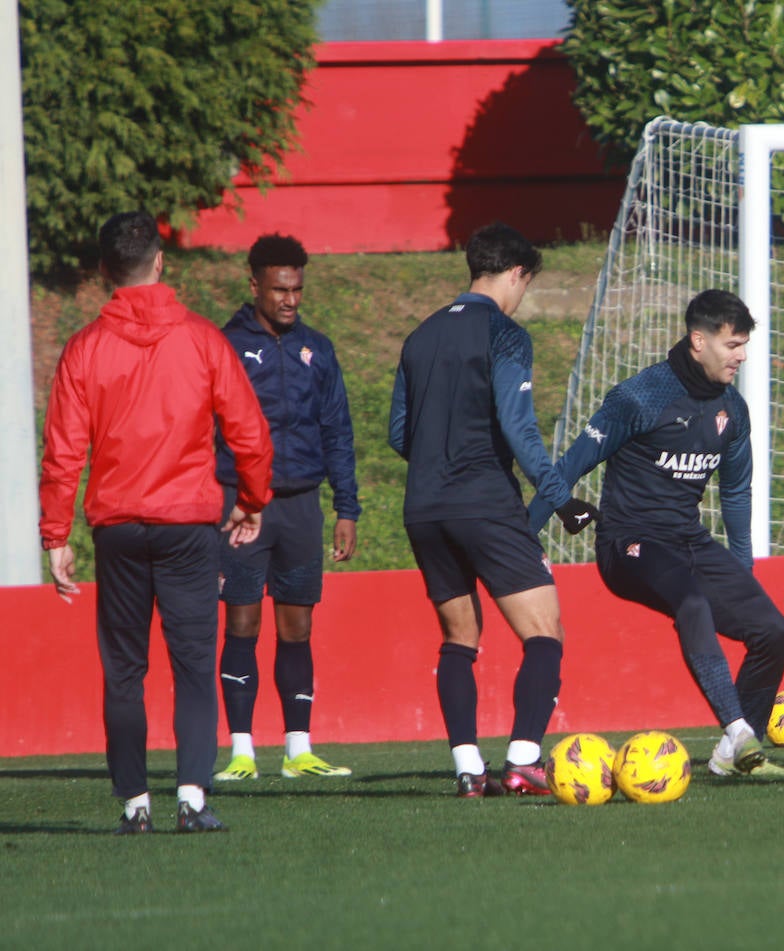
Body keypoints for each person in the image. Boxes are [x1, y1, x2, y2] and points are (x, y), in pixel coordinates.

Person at [39, 211, 274, 832]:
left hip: (118, 526)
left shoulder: (85, 348)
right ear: (161, 261)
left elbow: (64, 451)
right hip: (188, 525)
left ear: (103, 273)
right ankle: (192, 798)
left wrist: (56, 534)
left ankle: (134, 803)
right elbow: (249, 432)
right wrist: (253, 499)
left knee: (124, 667)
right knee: (195, 661)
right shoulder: (201, 339)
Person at [529, 289, 784, 779]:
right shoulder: (640, 397)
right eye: (732, 344)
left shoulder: (732, 410)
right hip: (627, 544)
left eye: (744, 344)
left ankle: (733, 757)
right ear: (699, 340)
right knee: (691, 603)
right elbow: (567, 469)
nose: (742, 355)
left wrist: (743, 569)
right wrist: (523, 540)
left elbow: (736, 493)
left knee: (772, 630)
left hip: (688, 543)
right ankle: (739, 730)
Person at [388, 222, 598, 798]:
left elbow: (399, 434)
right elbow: (518, 428)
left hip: (424, 507)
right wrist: (561, 499)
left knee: (460, 637)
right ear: (515, 273)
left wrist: (440, 452)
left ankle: (467, 769)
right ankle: (524, 759)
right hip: (482, 500)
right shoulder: (505, 335)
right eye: (524, 283)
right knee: (544, 631)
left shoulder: (420, 336)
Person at [212, 234, 361, 783]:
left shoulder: (317, 349)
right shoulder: (224, 346)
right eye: (279, 289)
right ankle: (242, 750)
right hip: (240, 506)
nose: (290, 299)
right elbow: (204, 430)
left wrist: (347, 508)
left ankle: (299, 749)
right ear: (255, 286)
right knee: (243, 622)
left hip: (302, 507)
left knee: (297, 626)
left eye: (297, 289)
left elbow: (337, 431)